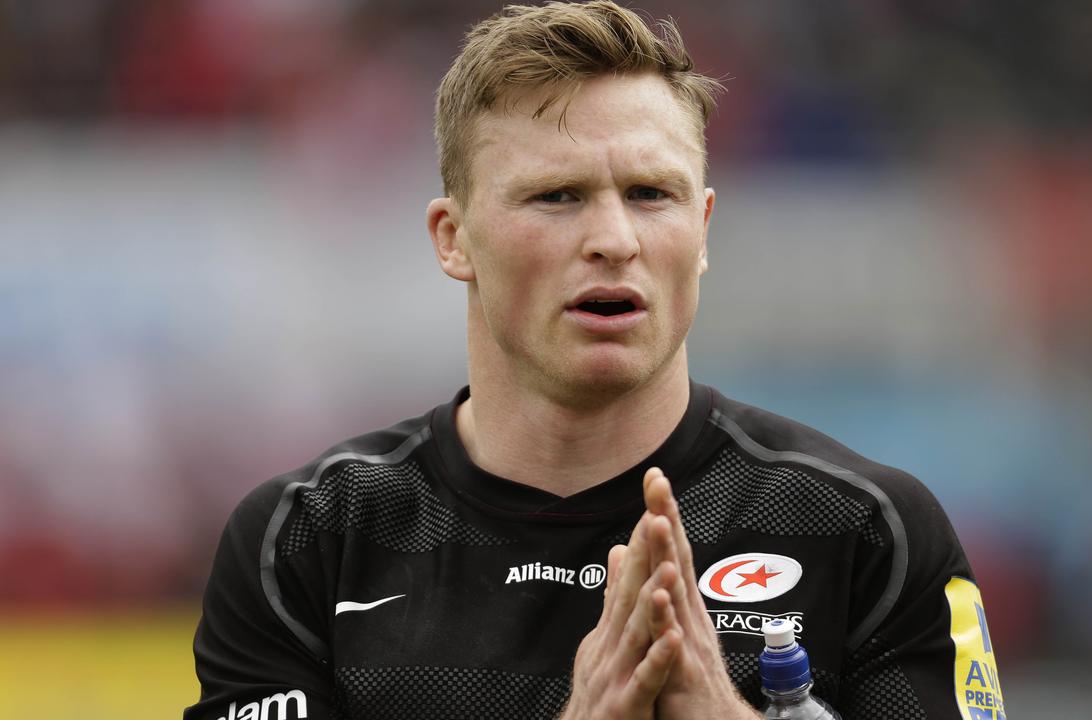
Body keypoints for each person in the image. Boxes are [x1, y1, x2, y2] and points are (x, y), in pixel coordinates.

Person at [184, 2, 1006, 719]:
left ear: (705, 228)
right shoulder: (310, 542)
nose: (614, 240)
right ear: (453, 237)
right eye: (557, 196)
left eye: (652, 194)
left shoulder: (867, 534)